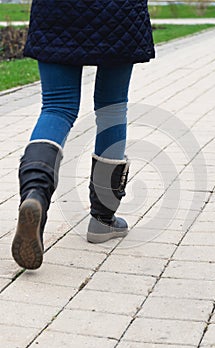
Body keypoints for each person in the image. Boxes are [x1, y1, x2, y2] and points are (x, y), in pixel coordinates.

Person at [11, 0, 155, 270]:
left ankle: (35, 193)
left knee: (57, 106)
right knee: (112, 108)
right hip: (118, 12)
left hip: (57, 9)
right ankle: (102, 220)